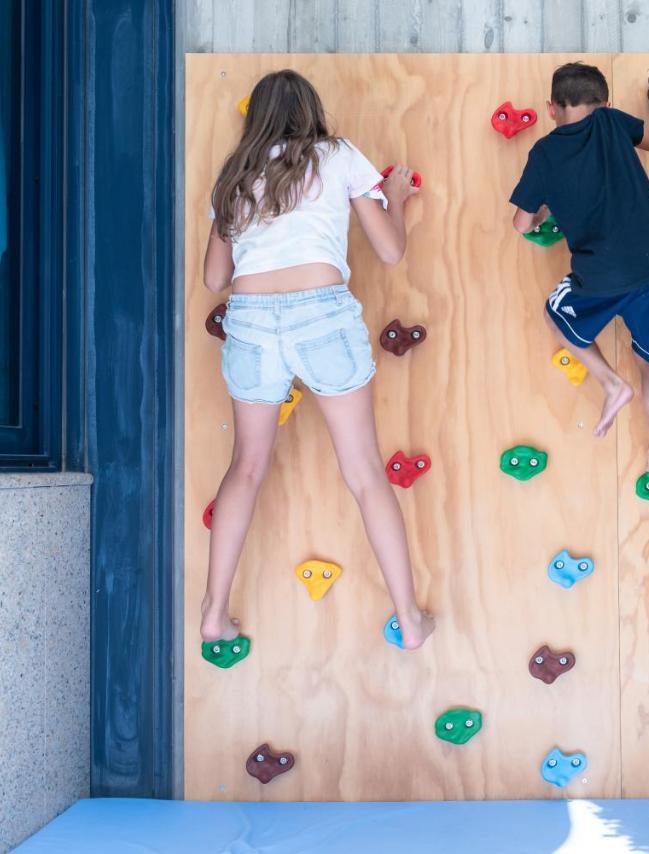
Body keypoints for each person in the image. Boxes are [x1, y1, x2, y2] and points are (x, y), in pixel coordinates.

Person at [200, 69, 434, 652]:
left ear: (255, 119)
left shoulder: (235, 175)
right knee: (364, 474)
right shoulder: (336, 154)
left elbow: (213, 279)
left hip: (250, 319)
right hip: (321, 315)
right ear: (312, 111)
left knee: (245, 469)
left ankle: (212, 612)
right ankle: (409, 618)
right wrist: (396, 198)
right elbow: (390, 249)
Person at [510, 62, 649, 476]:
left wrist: (547, 204)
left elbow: (522, 223)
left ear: (551, 109)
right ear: (605, 103)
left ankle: (610, 383)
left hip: (604, 273)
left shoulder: (545, 153)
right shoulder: (610, 122)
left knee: (557, 312)